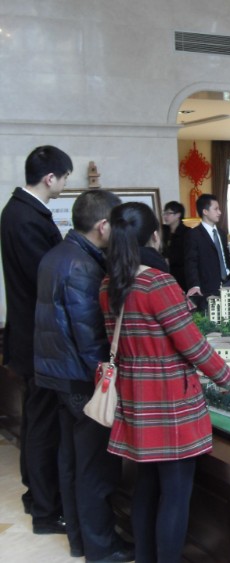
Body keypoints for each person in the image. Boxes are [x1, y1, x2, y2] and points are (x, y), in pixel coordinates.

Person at [99, 202, 230, 563]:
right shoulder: (157, 282)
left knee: (146, 487)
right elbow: (191, 343)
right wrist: (227, 376)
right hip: (168, 398)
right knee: (176, 495)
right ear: (154, 235)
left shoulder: (109, 282)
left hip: (133, 393)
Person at [34, 190, 134, 561]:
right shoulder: (83, 266)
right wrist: (107, 381)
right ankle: (101, 548)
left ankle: (80, 541)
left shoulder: (57, 254)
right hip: (81, 380)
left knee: (71, 463)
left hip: (57, 374)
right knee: (94, 469)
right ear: (103, 226)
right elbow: (90, 338)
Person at [0, 145, 72, 531]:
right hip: (37, 339)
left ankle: (35, 497)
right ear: (50, 178)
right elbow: (46, 278)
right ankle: (46, 510)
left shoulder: (19, 210)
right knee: (43, 426)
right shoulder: (26, 216)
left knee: (36, 421)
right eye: (65, 177)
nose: (65, 184)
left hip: (30, 336)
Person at [184, 194, 230, 311]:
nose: (220, 212)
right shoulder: (194, 235)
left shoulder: (222, 233)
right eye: (216, 209)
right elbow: (191, 262)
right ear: (205, 211)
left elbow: (222, 258)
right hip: (209, 286)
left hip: (229, 282)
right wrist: (194, 285)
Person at [161, 200, 189, 288]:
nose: (165, 216)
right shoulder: (163, 230)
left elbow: (187, 255)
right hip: (164, 273)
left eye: (168, 213)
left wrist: (169, 260)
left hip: (181, 275)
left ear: (178, 215)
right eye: (164, 213)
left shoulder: (187, 232)